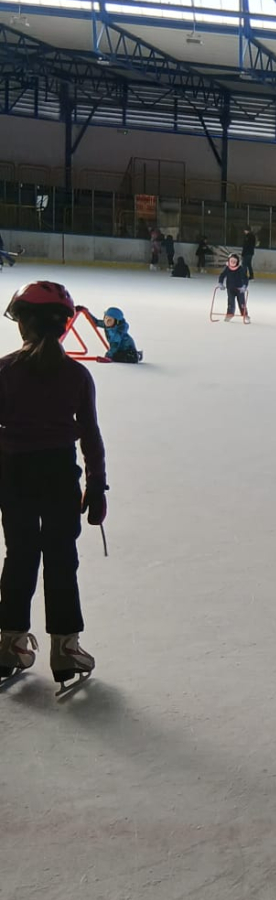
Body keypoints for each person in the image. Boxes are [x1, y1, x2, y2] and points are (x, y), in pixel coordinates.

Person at [0, 280, 105, 687]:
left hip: (13, 475)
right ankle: (65, 648)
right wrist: (96, 484)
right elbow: (90, 435)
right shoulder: (76, 375)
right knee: (62, 558)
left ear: (24, 324)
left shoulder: (4, 370)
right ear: (63, 327)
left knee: (20, 555)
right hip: (60, 477)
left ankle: (9, 642)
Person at [219, 251, 250, 323]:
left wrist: (244, 286)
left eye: (234, 261)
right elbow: (222, 275)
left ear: (237, 262)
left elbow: (245, 278)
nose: (232, 263)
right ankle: (230, 314)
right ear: (228, 261)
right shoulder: (227, 268)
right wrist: (220, 283)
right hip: (230, 289)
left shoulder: (240, 269)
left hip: (239, 289)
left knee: (242, 303)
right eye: (231, 261)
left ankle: (245, 315)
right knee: (230, 302)